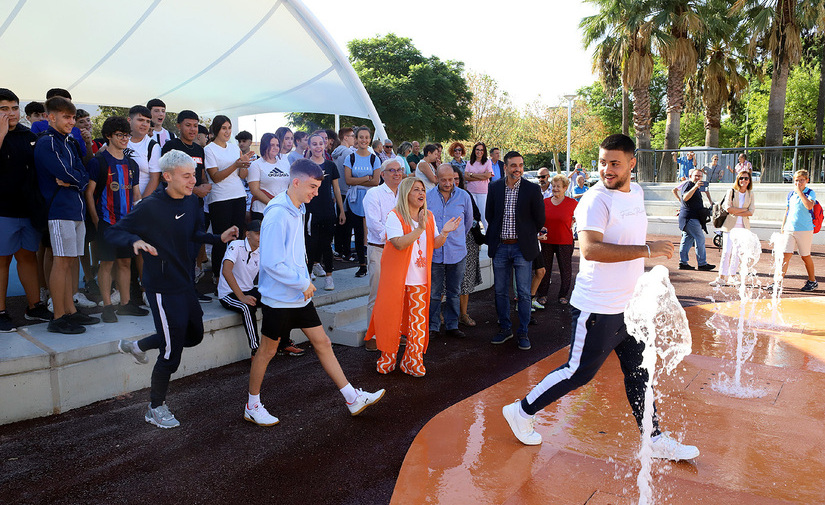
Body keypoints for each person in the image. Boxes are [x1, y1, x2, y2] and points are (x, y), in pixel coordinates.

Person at [502, 134, 700, 463]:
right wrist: (647, 251)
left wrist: (644, 263)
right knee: (579, 372)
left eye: (614, 163)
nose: (606, 169)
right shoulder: (595, 200)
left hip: (631, 305)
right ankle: (521, 410)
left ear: (631, 163)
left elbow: (627, 238)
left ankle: (655, 438)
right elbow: (591, 249)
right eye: (602, 162)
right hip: (598, 305)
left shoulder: (635, 192)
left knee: (640, 372)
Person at [243, 158, 385, 426]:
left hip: (297, 295)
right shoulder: (277, 214)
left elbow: (293, 254)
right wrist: (302, 282)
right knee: (266, 352)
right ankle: (252, 405)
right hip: (279, 298)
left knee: (323, 343)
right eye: (312, 186)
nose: (316, 193)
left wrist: (302, 282)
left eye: (319, 187)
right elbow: (272, 263)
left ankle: (352, 398)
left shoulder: (297, 207)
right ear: (295, 182)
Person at [110, 150, 239, 428]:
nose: (194, 181)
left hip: (184, 283)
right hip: (161, 287)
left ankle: (136, 345)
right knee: (171, 353)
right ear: (167, 177)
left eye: (194, 175)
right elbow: (115, 230)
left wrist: (219, 237)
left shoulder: (192, 201)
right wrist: (134, 241)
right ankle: (155, 408)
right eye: (187, 176)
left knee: (193, 336)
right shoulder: (149, 206)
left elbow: (194, 233)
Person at [366, 177, 462, 376]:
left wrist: (444, 233)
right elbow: (399, 243)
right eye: (416, 190)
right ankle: (388, 359)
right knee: (391, 320)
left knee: (418, 324)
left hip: (419, 279)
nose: (421, 193)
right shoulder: (395, 216)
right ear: (406, 193)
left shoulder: (429, 216)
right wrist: (419, 229)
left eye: (423, 190)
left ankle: (412, 361)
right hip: (396, 280)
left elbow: (435, 244)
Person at [34, 96, 99, 334]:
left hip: (75, 208)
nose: (71, 121)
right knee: (61, 263)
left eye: (73, 117)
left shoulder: (69, 142)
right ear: (51, 117)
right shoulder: (47, 142)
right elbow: (63, 172)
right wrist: (76, 179)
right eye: (66, 117)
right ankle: (58, 316)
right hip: (59, 211)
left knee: (70, 262)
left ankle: (70, 310)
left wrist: (75, 181)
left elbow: (81, 173)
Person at [85, 116, 149, 323]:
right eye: (120, 135)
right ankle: (107, 306)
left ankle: (125, 304)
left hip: (127, 224)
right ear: (108, 136)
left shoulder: (132, 164)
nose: (125, 139)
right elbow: (90, 193)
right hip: (106, 222)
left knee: (124, 263)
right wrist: (96, 220)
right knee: (106, 264)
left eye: (127, 135)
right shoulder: (99, 161)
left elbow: (137, 195)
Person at [0, 88, 52, 332]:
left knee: (27, 257)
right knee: (1, 261)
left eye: (13, 108)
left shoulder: (27, 134)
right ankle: (0, 311)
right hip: (2, 211)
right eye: (3, 109)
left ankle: (34, 306)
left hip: (27, 210)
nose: (10, 113)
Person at [485, 151, 544, 350]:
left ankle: (523, 332)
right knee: (500, 292)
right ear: (505, 167)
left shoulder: (532, 189)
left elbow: (539, 219)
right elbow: (489, 215)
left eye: (520, 165)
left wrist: (527, 236)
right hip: (500, 246)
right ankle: (505, 329)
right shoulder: (494, 188)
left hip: (522, 248)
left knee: (525, 294)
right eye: (513, 165)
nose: (517, 169)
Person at [362, 158, 405, 351]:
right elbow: (374, 224)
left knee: (396, 295)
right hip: (379, 249)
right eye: (392, 170)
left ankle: (393, 333)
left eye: (399, 170)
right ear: (383, 174)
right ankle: (372, 337)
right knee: (377, 294)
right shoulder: (374, 194)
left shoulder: (403, 195)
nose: (396, 173)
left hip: (400, 252)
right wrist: (396, 238)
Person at [205, 115, 254, 284]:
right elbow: (215, 177)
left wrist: (245, 164)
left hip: (238, 195)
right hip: (219, 199)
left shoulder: (234, 148)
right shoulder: (209, 149)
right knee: (221, 239)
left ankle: (238, 275)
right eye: (223, 128)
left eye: (229, 127)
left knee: (238, 238)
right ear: (216, 129)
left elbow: (241, 175)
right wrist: (236, 164)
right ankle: (218, 276)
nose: (227, 131)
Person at [427, 163, 473, 337]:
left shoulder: (464, 196)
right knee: (434, 293)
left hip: (457, 252)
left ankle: (452, 325)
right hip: (435, 252)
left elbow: (468, 222)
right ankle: (433, 326)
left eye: (451, 179)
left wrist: (457, 237)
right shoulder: (428, 197)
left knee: (454, 292)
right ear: (437, 179)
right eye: (443, 180)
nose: (448, 183)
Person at [305, 133, 345, 291]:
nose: (317, 147)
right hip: (310, 212)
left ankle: (329, 276)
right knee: (310, 245)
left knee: (326, 245)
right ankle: (307, 277)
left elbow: (336, 188)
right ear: (309, 147)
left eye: (320, 143)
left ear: (325, 145)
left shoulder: (330, 165)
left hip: (328, 211)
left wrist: (341, 210)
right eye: (314, 144)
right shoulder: (304, 165)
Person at [218, 220, 263, 354]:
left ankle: (281, 342)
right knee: (246, 307)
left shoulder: (263, 250)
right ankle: (256, 350)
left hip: (249, 290)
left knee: (276, 299)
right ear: (247, 234)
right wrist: (242, 297)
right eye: (258, 234)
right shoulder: (236, 245)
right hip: (229, 293)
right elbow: (226, 271)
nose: (261, 237)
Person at [771, 169, 818, 292]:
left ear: (807, 181)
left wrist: (799, 192)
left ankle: (812, 281)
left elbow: (809, 206)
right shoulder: (791, 194)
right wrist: (783, 226)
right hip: (789, 229)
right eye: (797, 180)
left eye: (802, 180)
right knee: (785, 255)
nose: (799, 183)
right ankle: (778, 282)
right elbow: (787, 210)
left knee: (805, 256)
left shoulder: (810, 193)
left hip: (805, 230)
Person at [343, 126, 381, 278]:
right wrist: (366, 178)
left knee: (371, 232)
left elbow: (376, 181)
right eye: (361, 137)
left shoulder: (374, 158)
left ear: (370, 139)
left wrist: (358, 181)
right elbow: (347, 180)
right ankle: (362, 265)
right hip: (354, 200)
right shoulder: (350, 158)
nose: (364, 140)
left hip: (371, 199)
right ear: (356, 139)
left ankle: (373, 263)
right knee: (358, 232)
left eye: (366, 137)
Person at [536, 174, 577, 305]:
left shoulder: (572, 203)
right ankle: (542, 295)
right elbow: (538, 219)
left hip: (565, 241)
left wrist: (576, 220)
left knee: (565, 269)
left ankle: (563, 295)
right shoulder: (544, 202)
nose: (555, 189)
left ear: (565, 188)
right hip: (546, 240)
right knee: (544, 269)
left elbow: (582, 216)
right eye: (553, 186)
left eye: (558, 186)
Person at [709, 171, 754, 287]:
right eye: (741, 178)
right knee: (726, 252)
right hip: (730, 226)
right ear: (738, 180)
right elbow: (729, 209)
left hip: (743, 227)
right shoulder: (732, 191)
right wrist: (744, 210)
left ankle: (732, 277)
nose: (743, 180)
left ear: (749, 181)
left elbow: (752, 211)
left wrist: (737, 210)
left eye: (746, 178)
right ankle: (721, 277)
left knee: (737, 253)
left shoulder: (750, 193)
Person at [673, 168, 715, 271]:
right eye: (696, 176)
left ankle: (683, 262)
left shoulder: (696, 187)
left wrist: (710, 201)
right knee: (700, 239)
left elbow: (705, 192)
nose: (698, 178)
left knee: (687, 239)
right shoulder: (688, 184)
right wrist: (695, 186)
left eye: (700, 176)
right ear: (691, 176)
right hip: (690, 217)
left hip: (690, 217)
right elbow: (685, 198)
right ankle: (702, 264)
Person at [30, 88, 90, 159]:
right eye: (64, 104)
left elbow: (83, 157)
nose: (68, 108)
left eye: (70, 104)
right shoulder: (38, 127)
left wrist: (88, 143)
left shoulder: (75, 130)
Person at [458, 169, 483, 327]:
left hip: (468, 240)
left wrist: (465, 225)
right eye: (447, 179)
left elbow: (477, 216)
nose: (451, 182)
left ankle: (463, 314)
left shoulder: (466, 196)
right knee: (441, 280)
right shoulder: (434, 196)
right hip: (444, 241)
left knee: (466, 279)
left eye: (455, 178)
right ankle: (436, 313)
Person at [247, 133, 288, 222]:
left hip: (282, 210)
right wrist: (273, 204)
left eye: (277, 145)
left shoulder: (285, 164)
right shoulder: (256, 164)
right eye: (272, 145)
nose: (275, 148)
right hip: (262, 210)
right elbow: (255, 190)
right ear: (265, 146)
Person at [125, 105, 162, 199]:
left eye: (148, 121)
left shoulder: (153, 146)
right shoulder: (118, 139)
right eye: (140, 120)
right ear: (129, 120)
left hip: (139, 202)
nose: (145, 124)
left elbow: (155, 178)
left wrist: (140, 204)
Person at [332, 127, 356, 261]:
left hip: (338, 191)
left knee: (340, 223)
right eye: (352, 136)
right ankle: (346, 252)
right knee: (347, 224)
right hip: (346, 191)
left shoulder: (335, 152)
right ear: (345, 138)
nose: (354, 138)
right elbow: (352, 173)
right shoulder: (347, 153)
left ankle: (339, 250)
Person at [464, 142, 493, 231]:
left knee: (484, 215)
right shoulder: (469, 163)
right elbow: (466, 177)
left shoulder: (487, 162)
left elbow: (488, 176)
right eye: (477, 149)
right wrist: (481, 176)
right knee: (471, 215)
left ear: (484, 152)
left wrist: (472, 175)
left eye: (481, 150)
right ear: (474, 151)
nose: (479, 152)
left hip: (483, 192)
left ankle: (489, 236)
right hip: (471, 192)